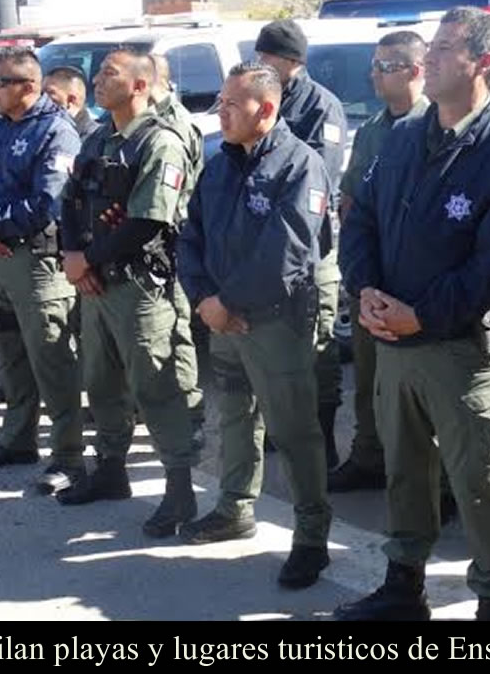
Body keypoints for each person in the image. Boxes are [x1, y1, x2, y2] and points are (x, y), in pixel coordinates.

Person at [336, 8, 490, 622]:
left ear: (482, 63)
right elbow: (364, 219)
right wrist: (366, 289)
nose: (427, 59)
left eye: (445, 49)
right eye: (429, 49)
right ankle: (404, 588)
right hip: (393, 339)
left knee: (480, 481)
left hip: (460, 349)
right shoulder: (404, 137)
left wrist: (420, 317)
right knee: (405, 471)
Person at [176, 62, 332, 587]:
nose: (219, 113)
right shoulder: (219, 165)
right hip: (222, 318)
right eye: (219, 103)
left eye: (229, 105)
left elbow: (286, 252)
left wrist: (227, 302)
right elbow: (190, 235)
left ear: (265, 110)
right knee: (235, 416)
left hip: (275, 322)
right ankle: (235, 508)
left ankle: (311, 537)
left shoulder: (299, 165)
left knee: (294, 432)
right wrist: (204, 298)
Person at [56, 46, 199, 539]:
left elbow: (148, 220)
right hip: (96, 285)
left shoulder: (160, 143)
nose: (98, 80)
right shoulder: (97, 139)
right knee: (101, 382)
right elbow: (70, 201)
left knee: (157, 387)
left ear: (140, 85)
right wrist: (75, 259)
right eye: (98, 73)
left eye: (110, 74)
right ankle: (111, 470)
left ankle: (180, 491)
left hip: (140, 287)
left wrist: (87, 260)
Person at [0, 47, 86, 491]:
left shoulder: (55, 131)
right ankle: (18, 439)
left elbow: (46, 202)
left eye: (1, 82)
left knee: (51, 361)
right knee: (11, 356)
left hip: (36, 263)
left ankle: (69, 456)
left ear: (29, 87)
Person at [330, 30, 430, 494]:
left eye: (385, 66)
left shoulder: (437, 126)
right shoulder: (372, 130)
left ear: (415, 71)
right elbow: (351, 202)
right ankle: (369, 456)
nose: (374, 75)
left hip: (416, 284)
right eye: (374, 65)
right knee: (369, 379)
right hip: (372, 278)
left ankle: (434, 483)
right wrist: (362, 275)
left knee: (422, 391)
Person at [255, 19, 348, 468]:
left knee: (318, 349)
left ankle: (324, 439)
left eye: (268, 56)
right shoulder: (260, 96)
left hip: (311, 250)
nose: (261, 63)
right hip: (265, 246)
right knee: (277, 349)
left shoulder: (321, 106)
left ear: (292, 61)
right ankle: (286, 429)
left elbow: (318, 176)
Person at [149, 52, 205, 446]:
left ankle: (191, 413)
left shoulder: (176, 124)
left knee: (178, 328)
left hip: (173, 236)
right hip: (153, 240)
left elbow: (179, 190)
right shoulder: (139, 122)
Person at [42, 66, 97, 139]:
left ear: (71, 100)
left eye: (49, 93)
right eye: (41, 93)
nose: (42, 98)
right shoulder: (41, 129)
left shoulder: (94, 138)